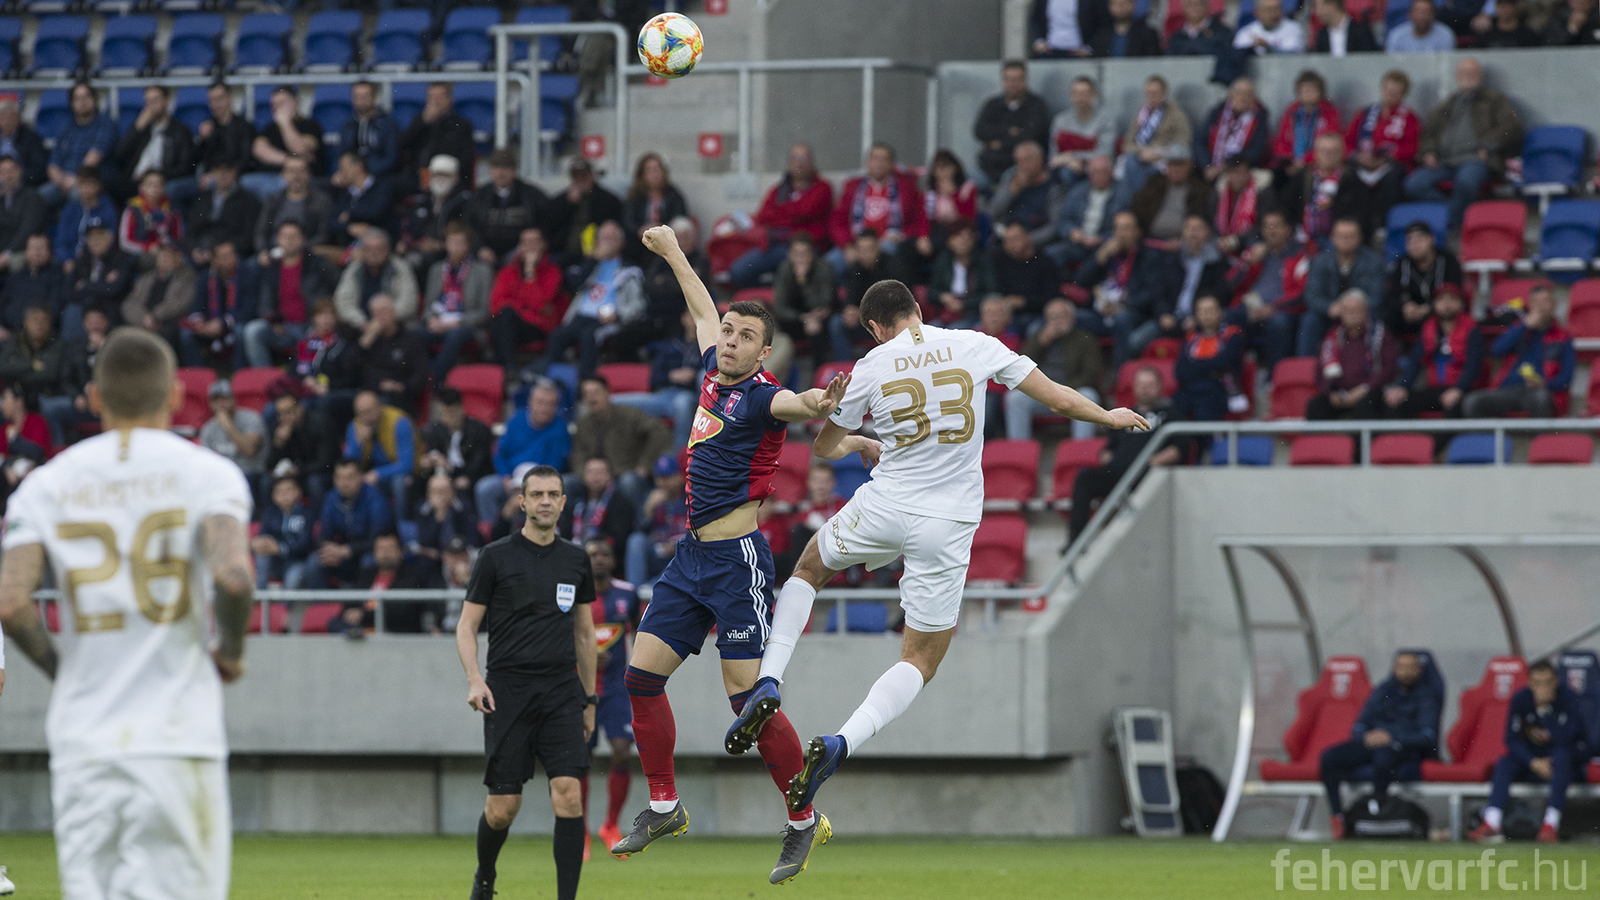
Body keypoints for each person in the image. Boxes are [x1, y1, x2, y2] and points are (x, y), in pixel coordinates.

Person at [744, 279, 1147, 827]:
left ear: (875, 328)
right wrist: (1109, 416)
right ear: (917, 309)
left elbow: (824, 447)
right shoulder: (975, 344)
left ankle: (768, 679)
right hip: (947, 522)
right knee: (920, 659)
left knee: (809, 568)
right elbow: (1056, 397)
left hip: (886, 504)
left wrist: (860, 441)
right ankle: (841, 743)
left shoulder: (871, 365)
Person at [606, 224, 861, 884]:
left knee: (746, 701)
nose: (730, 340)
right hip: (690, 559)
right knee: (639, 678)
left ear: (764, 351)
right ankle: (665, 806)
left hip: (737, 562)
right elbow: (700, 306)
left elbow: (799, 403)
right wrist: (672, 251)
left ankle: (803, 820)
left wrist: (822, 401)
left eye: (745, 336)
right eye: (728, 331)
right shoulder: (713, 372)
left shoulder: (763, 395)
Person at [0, 328, 254, 900]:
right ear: (174, 396)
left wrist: (66, 674)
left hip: (85, 742)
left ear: (94, 397)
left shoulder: (45, 485)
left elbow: (12, 603)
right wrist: (232, 653)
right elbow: (234, 578)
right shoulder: (208, 474)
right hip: (177, 735)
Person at [455, 465, 597, 900]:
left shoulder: (576, 559)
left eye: (553, 494)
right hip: (508, 692)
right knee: (503, 808)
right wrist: (475, 680)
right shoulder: (495, 557)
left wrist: (590, 699)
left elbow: (585, 635)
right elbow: (466, 627)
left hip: (561, 693)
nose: (545, 501)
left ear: (564, 502)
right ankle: (485, 877)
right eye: (537, 495)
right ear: (522, 501)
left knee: (569, 795)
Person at [1320, 652, 1440, 840]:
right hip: (1372, 744)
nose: (1406, 672)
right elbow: (1360, 724)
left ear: (1419, 670)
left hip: (1402, 748)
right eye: (1401, 667)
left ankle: (1376, 812)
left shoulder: (1427, 696)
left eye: (1410, 667)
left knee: (1384, 757)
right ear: (1394, 668)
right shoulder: (1383, 690)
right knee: (1329, 757)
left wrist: (1392, 737)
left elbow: (1427, 736)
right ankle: (1338, 816)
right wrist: (1366, 737)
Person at [1468, 660, 1584, 844]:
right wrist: (1533, 762)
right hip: (1532, 763)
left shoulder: (1569, 699)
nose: (1542, 688)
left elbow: (1568, 739)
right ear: (1529, 683)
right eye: (1537, 683)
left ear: (1556, 681)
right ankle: (1491, 822)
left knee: (1562, 756)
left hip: (1562, 766)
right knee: (1504, 762)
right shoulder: (1521, 699)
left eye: (1547, 682)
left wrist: (1545, 712)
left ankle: (1550, 825)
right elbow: (1511, 739)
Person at [1406, 58, 1523, 228]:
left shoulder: (1493, 100)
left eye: (1472, 72)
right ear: (1457, 76)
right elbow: (1428, 133)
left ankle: (1448, 223)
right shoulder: (1448, 104)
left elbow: (1512, 127)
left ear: (1480, 76)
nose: (1467, 76)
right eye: (1463, 72)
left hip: (1475, 159)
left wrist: (1489, 144)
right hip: (1444, 161)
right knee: (1414, 185)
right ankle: (1452, 217)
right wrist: (1429, 152)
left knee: (1466, 182)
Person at [581, 537, 642, 857]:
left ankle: (610, 825)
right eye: (593, 554)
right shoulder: (573, 596)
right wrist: (585, 657)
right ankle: (580, 830)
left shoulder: (627, 594)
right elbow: (559, 636)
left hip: (618, 688)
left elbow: (640, 631)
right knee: (580, 758)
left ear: (614, 561)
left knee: (621, 751)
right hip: (581, 689)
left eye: (605, 554)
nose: (599, 559)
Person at [1074, 210, 1179, 365]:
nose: (1121, 234)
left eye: (1126, 228)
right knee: (1071, 315)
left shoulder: (1149, 256)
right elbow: (1080, 281)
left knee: (1121, 318)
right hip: (1102, 313)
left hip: (1133, 313)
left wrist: (1123, 305)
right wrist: (1099, 258)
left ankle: (1121, 373)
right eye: (1117, 228)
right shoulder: (1106, 251)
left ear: (1137, 232)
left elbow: (1152, 292)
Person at [544, 220, 644, 378]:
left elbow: (638, 304)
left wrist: (618, 315)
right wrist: (593, 259)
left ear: (621, 243)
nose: (606, 242)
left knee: (589, 336)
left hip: (608, 320)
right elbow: (573, 284)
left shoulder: (630, 271)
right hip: (580, 317)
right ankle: (552, 380)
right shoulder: (589, 266)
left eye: (611, 238)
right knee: (557, 336)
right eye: (602, 238)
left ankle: (587, 380)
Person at [729, 143, 834, 288]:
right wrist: (792, 216)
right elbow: (763, 215)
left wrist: (779, 213)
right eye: (795, 158)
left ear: (812, 162)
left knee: (794, 275)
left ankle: (781, 294)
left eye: (804, 158)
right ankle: (767, 296)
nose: (799, 163)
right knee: (738, 271)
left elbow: (805, 210)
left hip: (807, 247)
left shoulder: (822, 188)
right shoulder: (779, 189)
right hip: (774, 245)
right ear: (789, 163)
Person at [1463, 284, 1574, 418]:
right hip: (1507, 390)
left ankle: (1538, 433)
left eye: (1545, 301)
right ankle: (1489, 433)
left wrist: (1544, 384)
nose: (1540, 307)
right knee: (1473, 402)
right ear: (1530, 305)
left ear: (1554, 305)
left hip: (1539, 392)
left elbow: (1566, 379)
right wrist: (1524, 326)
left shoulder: (1563, 337)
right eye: (1535, 302)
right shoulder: (1519, 329)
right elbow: (1496, 350)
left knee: (1540, 398)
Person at [244, 220, 339, 369]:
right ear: (278, 240)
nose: (289, 240)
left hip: (311, 326)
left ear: (303, 239)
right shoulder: (272, 267)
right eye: (285, 236)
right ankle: (265, 377)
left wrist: (325, 315)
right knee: (253, 330)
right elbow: (264, 302)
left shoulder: (317, 263)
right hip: (283, 328)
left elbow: (339, 287)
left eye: (294, 236)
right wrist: (273, 321)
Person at [1006, 297, 1103, 440]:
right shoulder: (1037, 338)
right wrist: (1041, 343)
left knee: (1089, 395)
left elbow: (1090, 374)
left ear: (1072, 317)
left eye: (1061, 316)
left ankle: (1081, 449)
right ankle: (1019, 450)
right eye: (1052, 317)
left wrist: (1062, 390)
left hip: (1072, 393)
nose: (1056, 321)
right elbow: (1021, 367)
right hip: (1043, 395)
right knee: (1015, 398)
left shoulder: (1085, 339)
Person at [825, 143, 928, 278]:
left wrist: (901, 235)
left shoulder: (906, 188)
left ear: (892, 164)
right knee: (830, 263)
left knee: (890, 256)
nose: (879, 163)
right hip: (855, 243)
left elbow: (918, 218)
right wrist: (847, 246)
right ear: (867, 162)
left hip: (888, 243)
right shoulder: (853, 187)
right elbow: (837, 221)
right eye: (875, 158)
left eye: (884, 159)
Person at [474, 380, 570, 524]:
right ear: (531, 402)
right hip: (511, 479)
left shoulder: (560, 428)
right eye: (540, 403)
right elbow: (500, 453)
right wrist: (505, 477)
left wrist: (527, 489)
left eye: (550, 404)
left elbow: (554, 464)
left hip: (541, 483)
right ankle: (489, 531)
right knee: (485, 488)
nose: (545, 408)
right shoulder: (515, 421)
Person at [1225, 209, 1309, 370]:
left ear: (1287, 230)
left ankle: (1275, 376)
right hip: (1251, 309)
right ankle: (1232, 376)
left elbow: (1301, 293)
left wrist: (1273, 308)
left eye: (1276, 226)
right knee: (1227, 318)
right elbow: (1230, 284)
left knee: (1279, 324)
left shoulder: (1299, 255)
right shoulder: (1254, 252)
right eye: (1267, 227)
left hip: (1281, 310)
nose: (1272, 231)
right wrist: (1248, 262)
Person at [571, 375, 671, 509]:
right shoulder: (582, 424)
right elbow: (577, 455)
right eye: (586, 394)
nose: (591, 398)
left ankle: (639, 521)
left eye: (595, 392)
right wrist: (585, 474)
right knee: (567, 482)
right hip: (592, 476)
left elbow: (658, 432)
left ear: (607, 393)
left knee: (628, 481)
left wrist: (645, 464)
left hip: (623, 472)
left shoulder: (629, 415)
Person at [1384, 285, 1481, 419]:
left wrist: (1459, 389)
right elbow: (1415, 362)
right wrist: (1403, 387)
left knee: (1454, 405)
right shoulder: (1428, 328)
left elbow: (1473, 365)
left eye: (1452, 299)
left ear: (1461, 304)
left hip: (1462, 389)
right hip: (1434, 389)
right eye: (1441, 300)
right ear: (1434, 304)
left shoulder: (1471, 328)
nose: (1447, 304)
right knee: (1396, 402)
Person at [1345, 70, 1421, 232]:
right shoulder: (1365, 114)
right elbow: (1348, 140)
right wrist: (1358, 157)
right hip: (1363, 163)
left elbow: (1412, 147)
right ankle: (1356, 227)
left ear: (1403, 94)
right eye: (1388, 90)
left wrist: (1387, 159)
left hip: (1390, 165)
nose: (1390, 95)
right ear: (1382, 89)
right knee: (1348, 175)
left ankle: (1386, 227)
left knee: (1393, 179)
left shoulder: (1408, 117)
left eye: (1396, 92)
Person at [1306, 289, 1398, 421]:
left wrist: (1364, 389)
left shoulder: (1379, 335)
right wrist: (1331, 393)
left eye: (1356, 310)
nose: (1352, 315)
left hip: (1369, 391)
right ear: (1341, 313)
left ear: (1366, 312)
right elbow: (1320, 371)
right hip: (1339, 393)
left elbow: (1388, 370)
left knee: (1367, 405)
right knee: (1316, 406)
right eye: (1348, 311)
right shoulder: (1332, 337)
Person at [419, 222, 493, 385]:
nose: (456, 247)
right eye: (452, 242)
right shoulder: (436, 269)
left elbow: (485, 312)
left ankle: (434, 382)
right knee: (414, 334)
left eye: (460, 243)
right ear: (445, 244)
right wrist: (431, 319)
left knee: (455, 335)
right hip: (439, 322)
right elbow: (428, 307)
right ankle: (422, 377)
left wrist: (457, 322)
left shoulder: (482, 271)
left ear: (468, 245)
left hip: (465, 325)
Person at [1300, 215, 1382, 356]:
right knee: (1310, 319)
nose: (1346, 240)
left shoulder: (1373, 261)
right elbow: (1312, 295)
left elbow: (1376, 296)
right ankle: (1306, 366)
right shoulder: (1321, 260)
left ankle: (1369, 363)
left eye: (1351, 236)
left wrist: (1354, 308)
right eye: (1342, 236)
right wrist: (1329, 307)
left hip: (1361, 313)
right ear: (1333, 238)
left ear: (1360, 238)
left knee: (1376, 316)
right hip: (1331, 312)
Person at [306, 457, 392, 588]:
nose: (344, 483)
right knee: (315, 561)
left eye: (349, 477)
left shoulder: (376, 499)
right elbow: (324, 535)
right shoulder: (331, 498)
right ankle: (322, 601)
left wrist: (348, 550)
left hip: (366, 552)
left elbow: (378, 539)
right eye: (339, 478)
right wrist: (330, 549)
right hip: (342, 554)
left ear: (360, 477)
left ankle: (364, 600)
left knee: (369, 560)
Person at [490, 227, 566, 373]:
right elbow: (496, 305)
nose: (529, 246)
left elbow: (540, 304)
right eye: (525, 243)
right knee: (504, 316)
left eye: (534, 242)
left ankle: (506, 370)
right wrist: (523, 308)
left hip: (539, 328)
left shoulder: (553, 271)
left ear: (543, 245)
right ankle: (505, 370)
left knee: (506, 317)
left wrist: (530, 273)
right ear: (519, 247)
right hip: (513, 323)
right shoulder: (507, 271)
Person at [1113, 76, 1192, 212]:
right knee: (1126, 168)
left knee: (1130, 167)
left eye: (1156, 93)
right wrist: (1142, 151)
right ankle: (1129, 210)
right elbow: (1127, 144)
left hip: (1163, 159)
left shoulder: (1176, 115)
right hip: (1140, 156)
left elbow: (1183, 142)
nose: (1152, 96)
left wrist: (1159, 152)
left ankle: (1138, 206)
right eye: (1149, 93)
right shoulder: (1141, 116)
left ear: (1164, 93)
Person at [180, 239, 257, 370]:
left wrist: (222, 323)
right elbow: (197, 305)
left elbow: (248, 310)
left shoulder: (247, 275)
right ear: (214, 260)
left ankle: (239, 373)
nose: (230, 260)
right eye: (224, 257)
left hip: (233, 324)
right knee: (186, 334)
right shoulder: (205, 277)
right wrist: (199, 322)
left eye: (232, 255)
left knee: (241, 331)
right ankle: (199, 375)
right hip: (209, 325)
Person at [972, 60, 1053, 184]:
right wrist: (1009, 131)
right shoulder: (993, 104)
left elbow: (1033, 135)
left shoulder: (1036, 105)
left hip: (1018, 169)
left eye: (1017, 80)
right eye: (1009, 79)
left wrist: (999, 143)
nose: (1012, 84)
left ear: (1025, 81)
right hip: (987, 168)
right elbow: (979, 131)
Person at [112, 85, 195, 203]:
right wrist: (136, 129)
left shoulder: (181, 131)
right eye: (148, 101)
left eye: (155, 100)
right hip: (136, 182)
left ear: (167, 101)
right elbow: (119, 155)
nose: (151, 105)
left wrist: (156, 176)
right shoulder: (141, 128)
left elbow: (185, 167)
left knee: (167, 190)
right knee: (105, 186)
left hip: (162, 182)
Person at [1383, 221, 1465, 340]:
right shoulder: (1402, 263)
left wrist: (1430, 307)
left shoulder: (1448, 260)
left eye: (1419, 240)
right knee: (1387, 314)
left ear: (1431, 239)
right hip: (1411, 314)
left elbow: (1455, 291)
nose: (1415, 245)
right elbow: (1393, 294)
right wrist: (1404, 306)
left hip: (1438, 311)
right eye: (1410, 241)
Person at [1173, 294, 1247, 422]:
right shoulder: (1190, 338)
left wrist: (1195, 366)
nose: (1206, 315)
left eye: (1210, 310)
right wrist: (1210, 367)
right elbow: (1180, 371)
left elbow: (1226, 362)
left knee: (1206, 404)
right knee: (1173, 407)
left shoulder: (1232, 335)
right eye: (1201, 311)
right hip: (1191, 390)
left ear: (1220, 312)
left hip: (1221, 390)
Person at [43, 81, 119, 208]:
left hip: (89, 182)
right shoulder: (66, 127)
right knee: (37, 198)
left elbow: (93, 159)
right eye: (77, 98)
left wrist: (75, 180)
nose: (82, 102)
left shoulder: (105, 124)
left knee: (76, 197)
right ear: (71, 103)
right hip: (63, 182)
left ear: (94, 99)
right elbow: (53, 163)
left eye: (86, 97)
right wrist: (61, 181)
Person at [467, 149, 549, 266]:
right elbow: (469, 226)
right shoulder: (478, 196)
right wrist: (480, 248)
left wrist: (527, 246)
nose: (501, 173)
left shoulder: (532, 195)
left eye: (506, 168)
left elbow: (544, 225)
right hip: (485, 255)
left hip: (522, 254)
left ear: (514, 170)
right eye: (496, 168)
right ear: (490, 170)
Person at [184, 81, 255, 212]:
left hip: (234, 176)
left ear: (229, 98)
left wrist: (221, 175)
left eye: (219, 99)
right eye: (211, 100)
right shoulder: (208, 128)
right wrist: (201, 140)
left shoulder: (244, 127)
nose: (215, 104)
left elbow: (246, 160)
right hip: (208, 177)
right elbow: (192, 162)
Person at [243, 85, 324, 198]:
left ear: (296, 103)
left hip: (298, 177)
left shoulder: (310, 125)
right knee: (243, 182)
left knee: (282, 185)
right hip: (269, 175)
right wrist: (288, 160)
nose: (277, 108)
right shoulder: (270, 128)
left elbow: (299, 149)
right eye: (274, 104)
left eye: (282, 103)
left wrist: (285, 123)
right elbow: (258, 149)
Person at [397, 82, 475, 194]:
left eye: (440, 97)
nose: (435, 102)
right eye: (431, 97)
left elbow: (465, 160)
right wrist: (422, 123)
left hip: (446, 175)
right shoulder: (419, 121)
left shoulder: (461, 125)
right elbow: (401, 144)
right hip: (417, 177)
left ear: (449, 99)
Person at [63, 217, 135, 335]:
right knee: (72, 310)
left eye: (100, 235)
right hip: (84, 306)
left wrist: (85, 285)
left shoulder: (120, 259)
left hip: (109, 309)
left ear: (109, 238)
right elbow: (67, 292)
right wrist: (102, 284)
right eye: (91, 237)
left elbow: (113, 290)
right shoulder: (82, 260)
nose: (95, 240)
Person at [624, 454, 689, 587]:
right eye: (659, 477)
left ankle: (655, 586)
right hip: (657, 552)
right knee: (636, 540)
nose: (663, 482)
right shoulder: (651, 497)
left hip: (681, 554)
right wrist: (647, 512)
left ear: (679, 476)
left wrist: (677, 544)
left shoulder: (688, 497)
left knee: (685, 552)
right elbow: (639, 530)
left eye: (667, 477)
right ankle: (635, 591)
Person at [1129, 144, 1212, 246]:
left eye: (1180, 164)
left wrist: (1182, 240)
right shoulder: (1154, 183)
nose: (1176, 169)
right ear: (1166, 166)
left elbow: (1202, 219)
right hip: (1149, 240)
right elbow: (1137, 208)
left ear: (1189, 165)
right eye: (1172, 164)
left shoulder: (1200, 189)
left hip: (1184, 244)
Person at [398, 154, 470, 273]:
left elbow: (465, 232)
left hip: (446, 253)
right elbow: (410, 228)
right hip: (418, 250)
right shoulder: (421, 201)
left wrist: (441, 245)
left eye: (445, 175)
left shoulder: (464, 202)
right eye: (436, 174)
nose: (440, 179)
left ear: (456, 177)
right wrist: (410, 244)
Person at [334, 228, 419, 327]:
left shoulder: (401, 268)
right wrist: (362, 322)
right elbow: (343, 302)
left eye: (379, 249)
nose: (374, 253)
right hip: (361, 325)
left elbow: (408, 302)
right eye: (369, 249)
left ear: (388, 250)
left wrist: (384, 320)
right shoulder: (353, 270)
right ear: (362, 251)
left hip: (395, 325)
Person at [1048, 154, 1119, 271]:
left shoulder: (1123, 194)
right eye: (1095, 172)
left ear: (1111, 173)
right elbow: (1063, 220)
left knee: (1089, 270)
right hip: (1078, 242)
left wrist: (1102, 238)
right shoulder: (1078, 191)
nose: (1099, 176)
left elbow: (1125, 227)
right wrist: (1072, 232)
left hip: (1105, 244)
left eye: (1103, 172)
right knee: (1049, 255)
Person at [123, 240, 196, 351]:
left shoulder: (187, 278)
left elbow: (181, 304)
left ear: (179, 257)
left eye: (168, 255)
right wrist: (143, 319)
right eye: (161, 254)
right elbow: (129, 304)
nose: (164, 258)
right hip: (142, 323)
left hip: (166, 324)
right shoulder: (145, 279)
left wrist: (154, 316)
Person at [422, 386, 495, 497]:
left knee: (463, 487)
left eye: (450, 413)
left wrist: (452, 469)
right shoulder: (436, 429)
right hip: (444, 476)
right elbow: (433, 451)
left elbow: (479, 464)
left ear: (461, 409)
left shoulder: (479, 430)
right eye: (443, 413)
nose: (446, 418)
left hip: (469, 476)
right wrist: (429, 462)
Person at [987, 142, 1062, 250]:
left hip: (1036, 241)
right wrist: (1011, 191)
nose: (1022, 166)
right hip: (1008, 237)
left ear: (1040, 159)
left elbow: (1055, 226)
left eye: (1027, 160)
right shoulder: (1012, 178)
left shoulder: (1053, 186)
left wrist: (1026, 240)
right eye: (1018, 161)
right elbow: (993, 212)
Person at [547, 158, 623, 265]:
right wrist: (567, 204)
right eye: (576, 176)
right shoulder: (560, 200)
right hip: (564, 252)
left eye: (584, 176)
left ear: (592, 175)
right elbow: (551, 225)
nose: (580, 180)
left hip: (596, 253)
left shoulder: (608, 200)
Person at [184, 158, 260, 264]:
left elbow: (248, 237)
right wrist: (193, 250)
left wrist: (221, 253)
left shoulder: (248, 200)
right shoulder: (202, 198)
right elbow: (191, 231)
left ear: (235, 172)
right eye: (219, 170)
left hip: (233, 254)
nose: (223, 174)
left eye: (227, 170)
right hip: (202, 249)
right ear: (213, 173)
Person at [1271, 70, 1342, 183]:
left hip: (1316, 163)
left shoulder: (1329, 112)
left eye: (1312, 90)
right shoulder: (1291, 111)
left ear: (1320, 92)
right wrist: (1288, 161)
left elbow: (1330, 142)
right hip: (1290, 163)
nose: (1307, 94)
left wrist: (1305, 161)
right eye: (1304, 90)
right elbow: (1281, 140)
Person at [254, 155, 332, 254]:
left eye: (301, 171)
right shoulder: (273, 200)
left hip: (307, 253)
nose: (296, 176)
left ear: (309, 174)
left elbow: (323, 235)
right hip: (274, 252)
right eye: (291, 171)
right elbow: (261, 232)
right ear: (283, 175)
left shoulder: (321, 201)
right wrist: (263, 250)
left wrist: (297, 249)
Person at [621, 153, 688, 265]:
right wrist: (641, 230)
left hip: (666, 239)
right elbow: (628, 221)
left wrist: (661, 228)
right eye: (650, 170)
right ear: (642, 175)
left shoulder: (673, 195)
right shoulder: (635, 196)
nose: (655, 174)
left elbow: (679, 218)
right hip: (639, 241)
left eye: (657, 169)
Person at [1196, 79, 1271, 178]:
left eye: (1248, 94)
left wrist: (1226, 167)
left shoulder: (1259, 117)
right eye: (1239, 92)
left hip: (1239, 171)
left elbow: (1256, 151)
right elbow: (1200, 141)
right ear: (1231, 95)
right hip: (1211, 167)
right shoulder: (1217, 113)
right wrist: (1206, 165)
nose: (1243, 97)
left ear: (1254, 98)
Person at [1047, 77, 1116, 185]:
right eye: (1075, 93)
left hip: (1095, 167)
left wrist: (1072, 157)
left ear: (1093, 95)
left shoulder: (1105, 120)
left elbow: (1105, 152)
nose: (1079, 98)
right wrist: (1068, 161)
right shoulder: (1061, 120)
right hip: (1067, 168)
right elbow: (1053, 156)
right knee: (1065, 173)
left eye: (1083, 93)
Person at [990, 222, 1061, 324]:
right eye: (1006, 241)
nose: (1010, 244)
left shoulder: (1045, 263)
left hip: (1040, 316)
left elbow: (1052, 298)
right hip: (1010, 315)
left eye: (1015, 239)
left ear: (1028, 237)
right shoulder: (1002, 262)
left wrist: (1024, 302)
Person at [928, 223, 997, 325]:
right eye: (958, 236)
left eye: (968, 236)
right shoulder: (944, 259)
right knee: (929, 330)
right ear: (949, 241)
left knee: (954, 330)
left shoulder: (983, 261)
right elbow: (931, 291)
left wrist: (964, 304)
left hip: (973, 314)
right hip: (947, 312)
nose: (964, 240)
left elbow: (991, 293)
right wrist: (943, 296)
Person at [253, 474, 314, 590]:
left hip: (298, 562)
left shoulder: (306, 514)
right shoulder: (270, 513)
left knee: (292, 580)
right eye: (279, 492)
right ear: (273, 496)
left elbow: (305, 544)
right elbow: (263, 535)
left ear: (299, 492)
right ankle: (260, 594)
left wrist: (281, 549)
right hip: (276, 562)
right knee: (261, 554)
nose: (284, 495)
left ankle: (285, 602)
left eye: (288, 491)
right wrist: (259, 543)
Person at [200, 379, 269, 479]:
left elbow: (249, 450)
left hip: (250, 473)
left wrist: (228, 426)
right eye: (216, 400)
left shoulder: (251, 418)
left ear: (233, 399)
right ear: (210, 404)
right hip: (223, 477)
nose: (220, 403)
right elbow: (207, 462)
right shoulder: (208, 429)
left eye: (225, 398)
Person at [326, 152, 393, 248]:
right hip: (349, 248)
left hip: (378, 246)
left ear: (357, 167)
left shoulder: (381, 186)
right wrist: (349, 228)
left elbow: (377, 211)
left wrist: (350, 213)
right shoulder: (345, 193)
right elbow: (331, 223)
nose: (340, 173)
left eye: (343, 169)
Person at [54, 167, 118, 266]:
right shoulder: (70, 210)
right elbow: (61, 240)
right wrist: (66, 260)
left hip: (98, 262)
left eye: (89, 184)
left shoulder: (107, 209)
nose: (85, 189)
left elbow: (110, 239)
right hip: (71, 263)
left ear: (98, 185)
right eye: (82, 184)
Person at [118, 170, 183, 266]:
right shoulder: (133, 210)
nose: (154, 188)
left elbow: (178, 237)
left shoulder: (172, 209)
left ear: (164, 188)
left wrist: (169, 247)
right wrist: (147, 247)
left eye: (158, 185)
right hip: (140, 255)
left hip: (167, 252)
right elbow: (125, 243)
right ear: (141, 188)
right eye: (150, 184)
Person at [339, 80, 399, 178]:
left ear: (374, 97)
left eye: (365, 96)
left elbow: (391, 158)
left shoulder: (388, 124)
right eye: (357, 96)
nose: (361, 100)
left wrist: (365, 171)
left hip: (379, 176)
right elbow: (340, 154)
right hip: (351, 176)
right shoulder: (347, 126)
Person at [414, 471, 478, 560]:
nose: (439, 496)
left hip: (460, 552)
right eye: (434, 491)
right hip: (435, 556)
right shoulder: (422, 508)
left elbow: (472, 538)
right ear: (428, 494)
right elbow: (425, 542)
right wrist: (439, 515)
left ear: (453, 492)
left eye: (443, 491)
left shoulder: (463, 506)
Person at [0, 156, 44, 272]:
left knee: (16, 263)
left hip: (21, 251)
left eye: (11, 171)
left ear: (19, 171)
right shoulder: (1, 199)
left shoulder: (32, 197)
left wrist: (7, 253)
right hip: (2, 252)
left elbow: (27, 229)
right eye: (3, 172)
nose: (7, 176)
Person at [0, 98, 50, 189]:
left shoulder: (31, 138)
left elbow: (38, 169)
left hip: (24, 185)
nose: (7, 122)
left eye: (11, 118)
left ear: (18, 119)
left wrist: (17, 177)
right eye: (3, 118)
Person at [1028, 0, 1103, 57]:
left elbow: (1102, 24)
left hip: (1078, 51)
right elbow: (1035, 19)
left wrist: (1089, 48)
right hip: (1049, 50)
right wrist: (1038, 41)